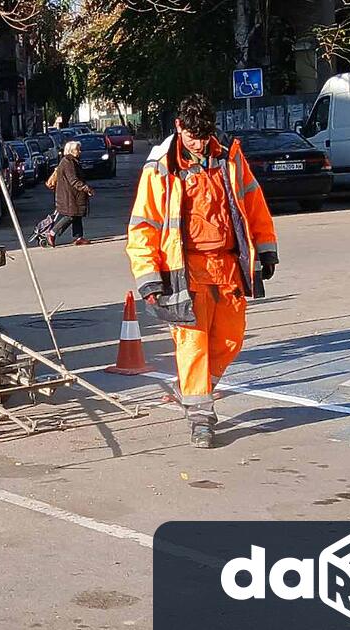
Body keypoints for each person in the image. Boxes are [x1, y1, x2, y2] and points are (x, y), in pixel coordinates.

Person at [125, 94, 278, 449]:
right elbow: (143, 225)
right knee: (192, 344)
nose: (198, 143)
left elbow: (253, 204)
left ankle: (196, 387)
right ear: (179, 128)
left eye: (204, 136)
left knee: (230, 338)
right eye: (192, 137)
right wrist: (149, 277)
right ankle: (200, 416)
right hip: (185, 267)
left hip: (225, 266)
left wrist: (266, 249)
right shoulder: (161, 167)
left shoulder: (229, 159)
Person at [47, 140, 94, 247]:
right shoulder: (68, 162)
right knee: (71, 216)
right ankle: (52, 233)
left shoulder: (72, 161)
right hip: (69, 195)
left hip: (73, 195)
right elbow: (73, 180)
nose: (80, 151)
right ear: (70, 151)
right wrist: (86, 188)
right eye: (77, 149)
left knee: (77, 215)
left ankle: (78, 237)